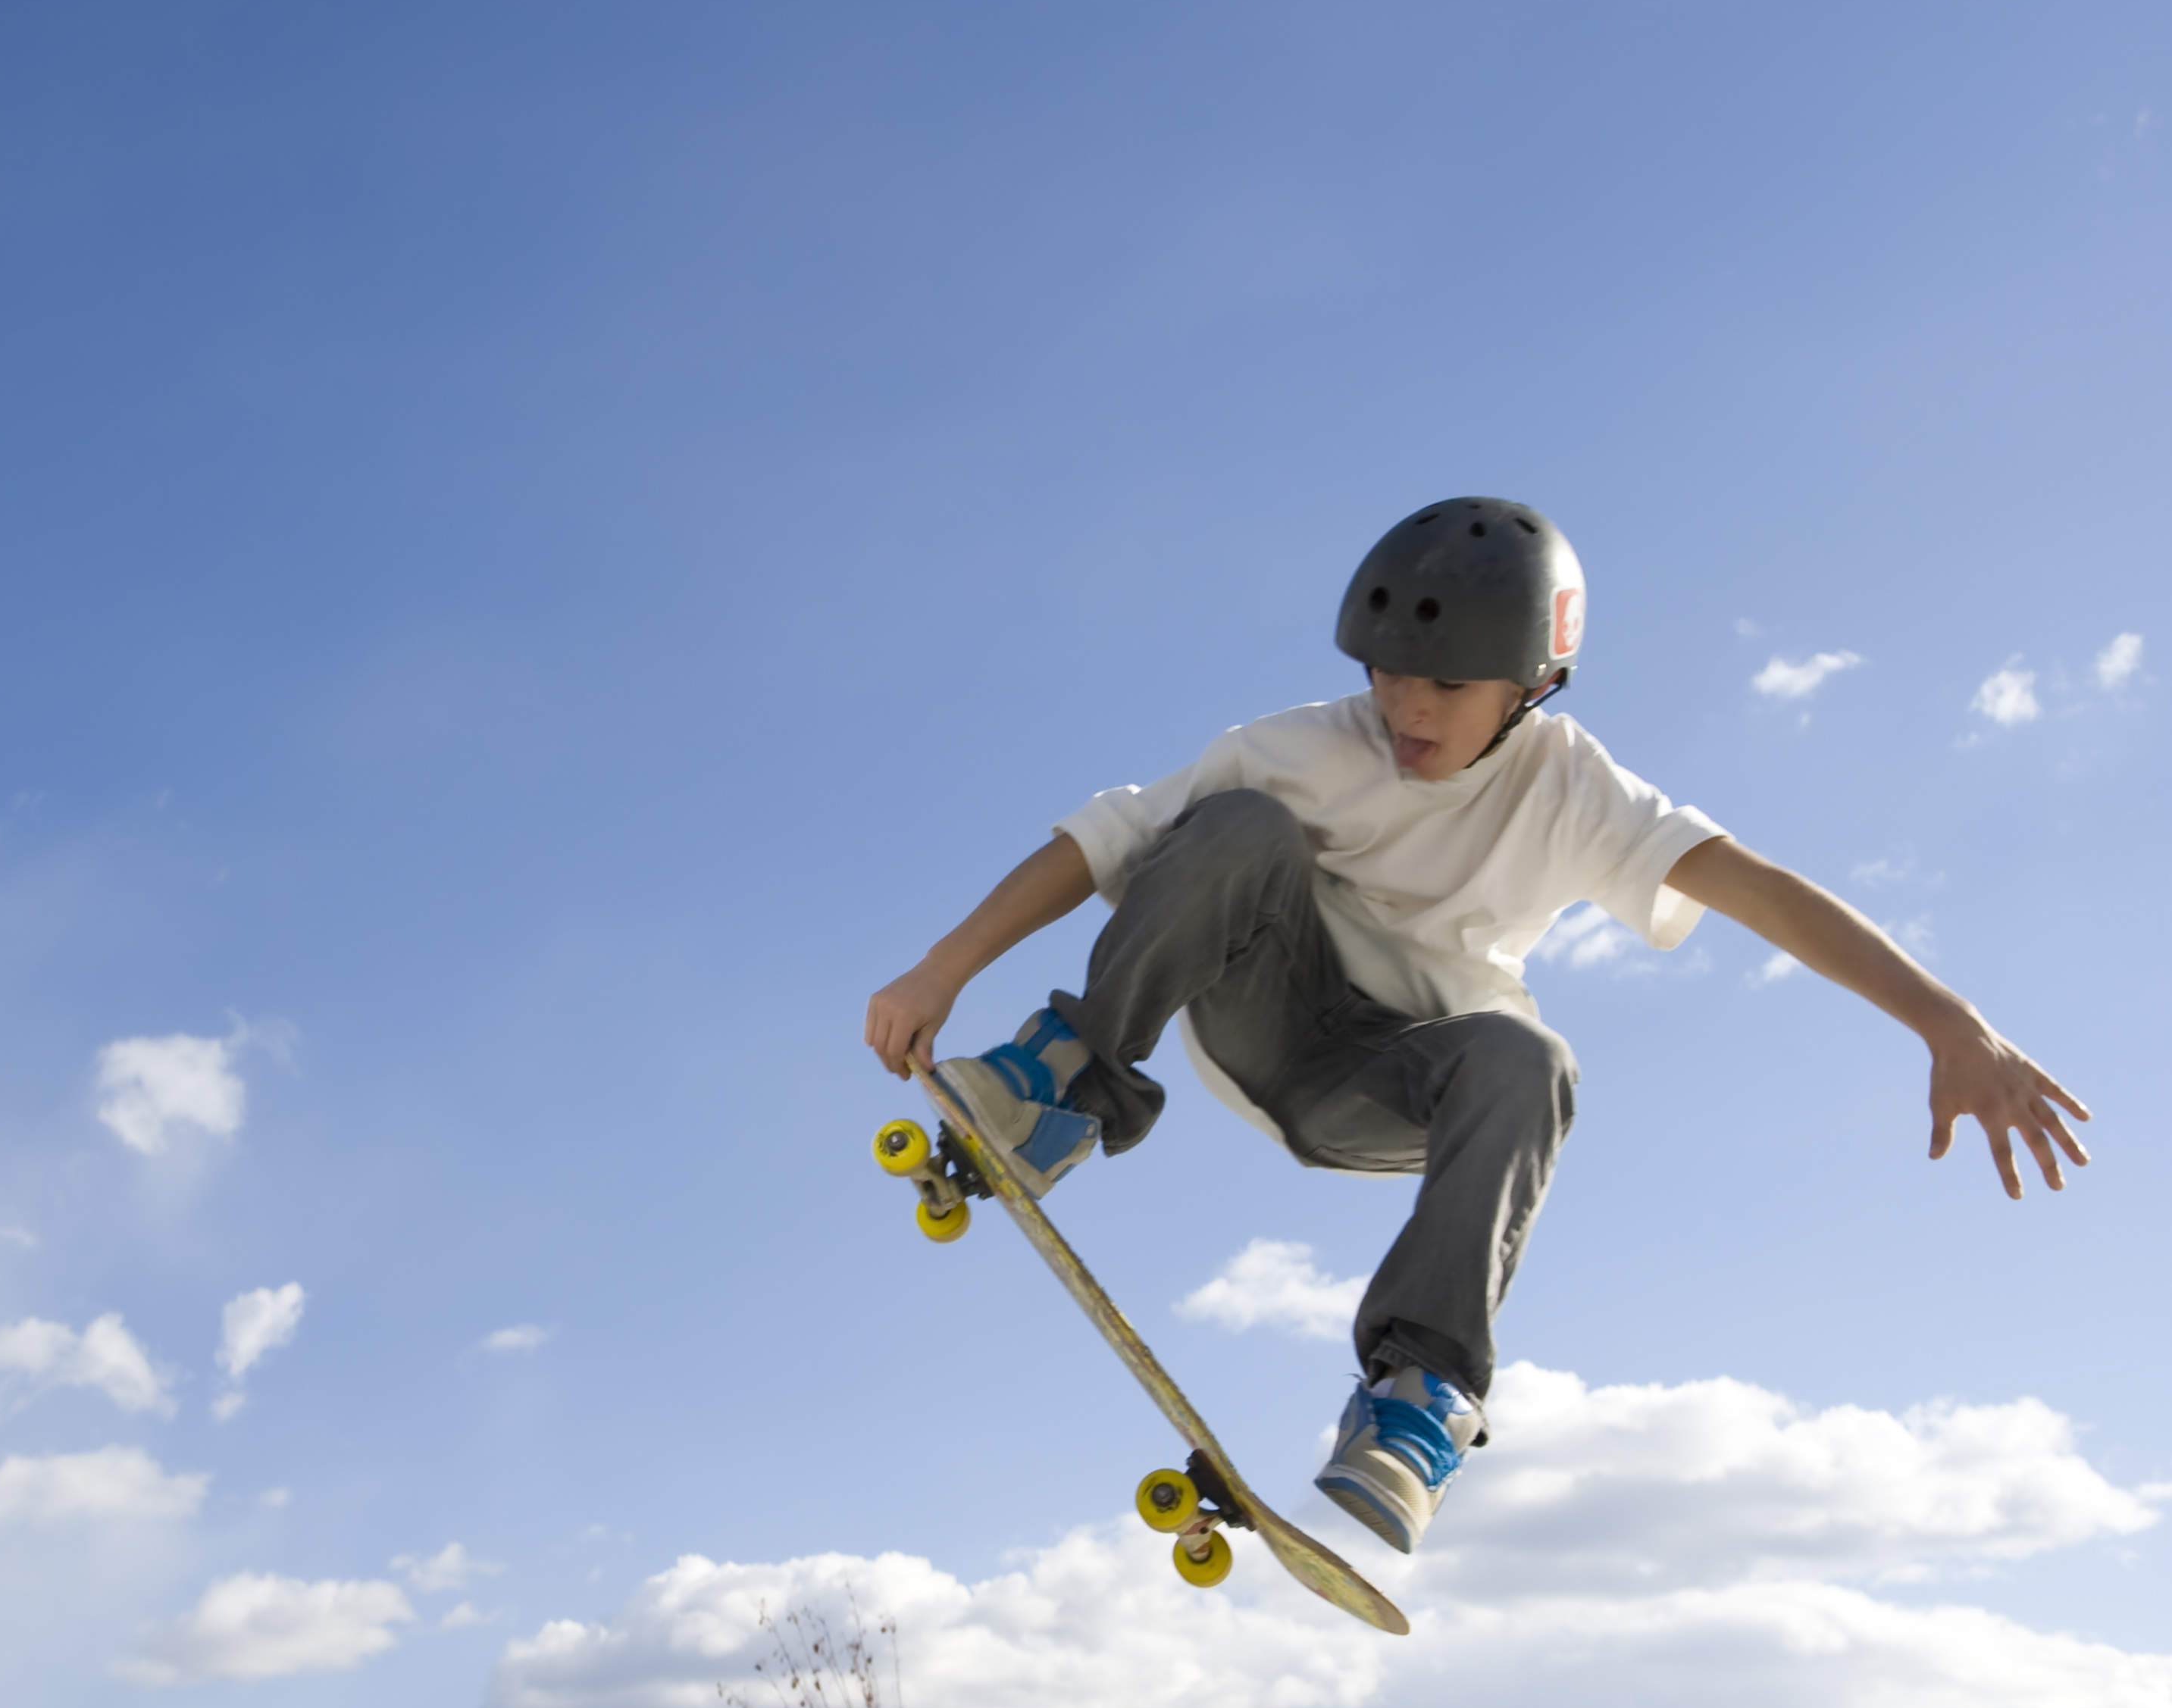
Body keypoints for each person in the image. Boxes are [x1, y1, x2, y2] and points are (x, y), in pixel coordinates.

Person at [862, 496, 2089, 1559]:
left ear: (1533, 686)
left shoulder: (1575, 788)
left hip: (1402, 1081)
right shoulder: (1297, 745)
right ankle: (1065, 1086)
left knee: (1530, 1058)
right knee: (1235, 826)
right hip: (1263, 1011)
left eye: (1445, 683)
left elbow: (1757, 887)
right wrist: (941, 967)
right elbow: (1104, 840)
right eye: (1386, 670)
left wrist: (1945, 1021)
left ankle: (1417, 1395)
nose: (1405, 705)